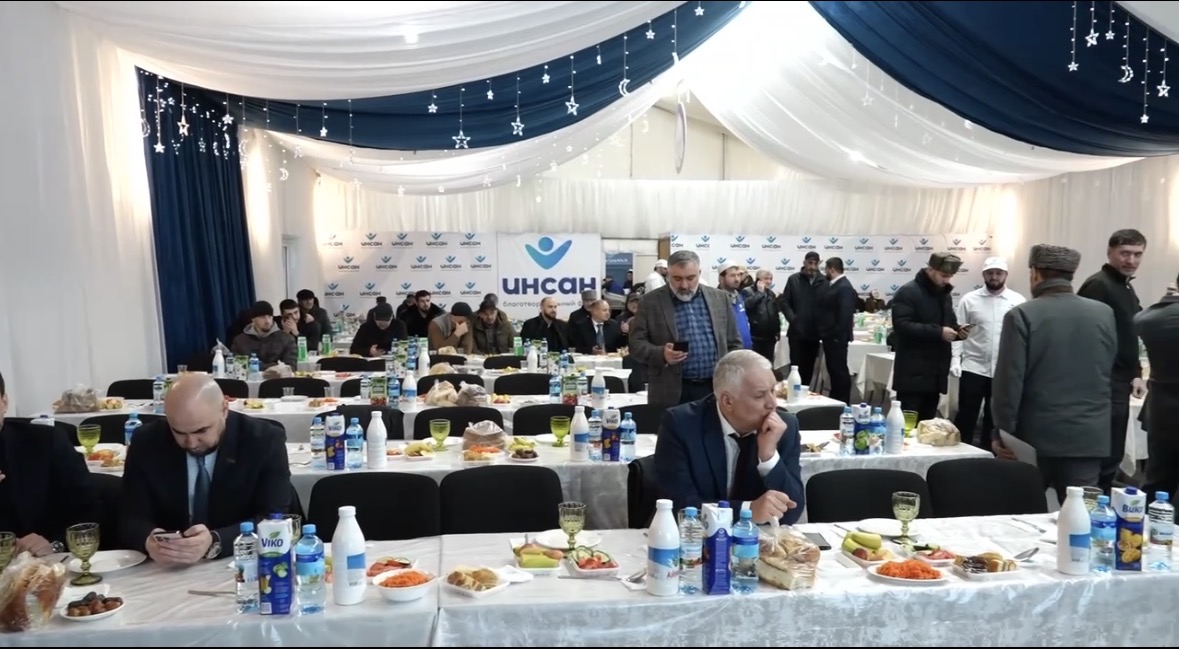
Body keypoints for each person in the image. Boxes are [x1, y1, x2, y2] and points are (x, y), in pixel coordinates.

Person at [120, 375, 293, 564]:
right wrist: (149, 539)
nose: (191, 443)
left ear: (224, 410)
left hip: (238, 560)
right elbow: (130, 515)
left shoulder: (264, 441)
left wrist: (215, 540)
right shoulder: (146, 441)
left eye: (201, 431)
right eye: (179, 432)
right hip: (168, 565)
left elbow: (273, 517)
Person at [992, 245, 1116, 503]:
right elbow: (1107, 370)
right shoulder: (1104, 314)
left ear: (1035, 273)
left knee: (1022, 514)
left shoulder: (1021, 315)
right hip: (1088, 437)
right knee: (1081, 516)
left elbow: (1009, 383)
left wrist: (1002, 434)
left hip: (1033, 438)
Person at [654, 350, 805, 525]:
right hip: (695, 538)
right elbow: (679, 507)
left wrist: (769, 457)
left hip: (759, 539)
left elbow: (792, 511)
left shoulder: (783, 427)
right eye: (760, 395)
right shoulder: (682, 424)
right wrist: (748, 511)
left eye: (773, 390)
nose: (772, 404)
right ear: (727, 401)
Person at [1077, 229, 1148, 493]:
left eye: (1137, 254)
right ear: (1109, 252)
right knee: (1100, 456)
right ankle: (1091, 507)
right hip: (1102, 382)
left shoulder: (1125, 286)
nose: (1131, 260)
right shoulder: (1098, 285)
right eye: (1125, 253)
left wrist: (1136, 372)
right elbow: (1085, 337)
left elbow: (1128, 336)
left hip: (1120, 379)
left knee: (1112, 452)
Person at [629, 250, 743, 409]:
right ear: (668, 275)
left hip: (715, 388)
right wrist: (661, 354)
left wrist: (731, 377)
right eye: (677, 279)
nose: (684, 285)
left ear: (699, 273)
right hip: (670, 390)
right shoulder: (650, 302)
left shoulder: (720, 298)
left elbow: (734, 343)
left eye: (690, 278)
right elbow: (636, 344)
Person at [0, 371, 96, 557]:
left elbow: (89, 509)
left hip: (44, 562)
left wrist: (55, 543)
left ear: (4, 402)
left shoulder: (45, 443)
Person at [950, 257, 1026, 450]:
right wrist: (955, 360)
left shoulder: (1018, 301)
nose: (994, 277)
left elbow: (1022, 336)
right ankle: (960, 453)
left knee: (995, 418)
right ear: (984, 275)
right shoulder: (969, 300)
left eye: (998, 273)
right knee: (967, 414)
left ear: (1006, 275)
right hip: (973, 367)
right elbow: (959, 332)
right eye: (990, 273)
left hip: (1003, 369)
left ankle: (989, 455)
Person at [890, 253, 966, 423]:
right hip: (912, 374)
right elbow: (901, 325)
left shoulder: (944, 294)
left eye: (950, 276)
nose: (947, 280)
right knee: (907, 427)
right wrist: (938, 332)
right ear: (930, 269)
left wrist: (958, 330)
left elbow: (948, 322)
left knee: (927, 427)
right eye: (944, 275)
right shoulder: (908, 292)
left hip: (935, 374)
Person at [1136, 273, 1179, 501]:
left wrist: (1168, 301)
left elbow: (1139, 319)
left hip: (1161, 414)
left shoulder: (1152, 318)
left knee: (1157, 485)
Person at [777, 252, 826, 386]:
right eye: (810, 263)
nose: (812, 267)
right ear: (804, 263)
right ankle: (793, 392)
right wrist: (794, 320)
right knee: (795, 367)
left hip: (814, 333)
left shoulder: (824, 281)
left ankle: (805, 393)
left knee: (809, 368)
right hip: (797, 332)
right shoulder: (794, 279)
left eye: (815, 264)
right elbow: (785, 302)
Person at [817, 257, 857, 405]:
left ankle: (842, 401)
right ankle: (835, 400)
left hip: (836, 337)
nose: (825, 273)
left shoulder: (844, 287)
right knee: (833, 371)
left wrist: (834, 334)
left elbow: (844, 315)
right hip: (831, 336)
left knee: (839, 371)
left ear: (831, 269)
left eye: (826, 269)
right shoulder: (836, 285)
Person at [229, 301, 297, 369]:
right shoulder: (240, 341)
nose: (267, 321)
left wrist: (255, 366)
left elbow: (290, 366)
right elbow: (235, 365)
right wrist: (274, 365)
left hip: (277, 376)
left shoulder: (287, 339)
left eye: (269, 316)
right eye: (262, 317)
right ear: (253, 319)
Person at [742, 269, 780, 364]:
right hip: (755, 337)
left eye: (770, 279)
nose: (769, 281)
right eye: (766, 279)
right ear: (758, 280)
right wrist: (759, 293)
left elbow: (774, 314)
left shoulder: (771, 294)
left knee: (768, 363)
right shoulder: (747, 291)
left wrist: (777, 330)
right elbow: (747, 306)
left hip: (770, 337)